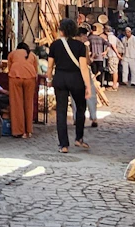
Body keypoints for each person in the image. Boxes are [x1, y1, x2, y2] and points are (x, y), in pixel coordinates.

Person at [47, 19, 90, 153]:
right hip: (76, 78)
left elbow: (50, 66)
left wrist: (49, 79)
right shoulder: (80, 46)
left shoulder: (54, 45)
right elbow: (83, 68)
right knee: (81, 108)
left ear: (61, 30)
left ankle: (63, 145)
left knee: (61, 111)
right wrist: (88, 86)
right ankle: (78, 138)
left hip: (60, 78)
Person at [5, 42, 39, 137]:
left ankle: (19, 131)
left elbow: (10, 68)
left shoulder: (12, 54)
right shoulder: (32, 55)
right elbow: (36, 71)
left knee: (17, 104)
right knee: (29, 104)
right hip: (30, 78)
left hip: (15, 77)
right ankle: (28, 131)